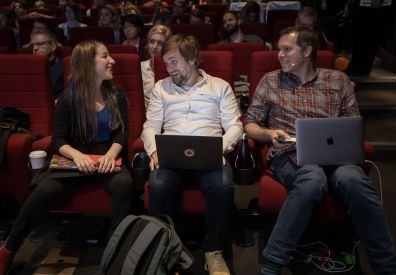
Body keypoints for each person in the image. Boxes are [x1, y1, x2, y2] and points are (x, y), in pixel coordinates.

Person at [243, 26, 396, 275]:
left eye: (286, 49)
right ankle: (272, 263)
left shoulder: (337, 80)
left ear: (306, 51)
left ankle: (388, 267)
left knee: (355, 180)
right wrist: (270, 134)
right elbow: (250, 123)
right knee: (312, 177)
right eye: (279, 49)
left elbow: (353, 125)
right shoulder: (271, 80)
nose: (279, 54)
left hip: (335, 154)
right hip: (288, 152)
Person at [0, 39, 135, 275]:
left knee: (124, 183)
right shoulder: (68, 98)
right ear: (87, 63)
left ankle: (115, 251)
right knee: (45, 190)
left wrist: (112, 153)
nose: (112, 60)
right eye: (105, 56)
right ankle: (9, 249)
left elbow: (122, 133)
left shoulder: (117, 94)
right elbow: (58, 140)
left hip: (106, 156)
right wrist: (77, 155)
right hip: (75, 158)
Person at [141, 34, 243, 275]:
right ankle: (167, 250)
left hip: (209, 156)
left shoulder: (220, 87)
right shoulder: (161, 88)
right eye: (166, 63)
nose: (169, 68)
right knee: (158, 184)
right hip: (172, 157)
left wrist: (221, 148)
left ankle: (213, 250)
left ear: (192, 59)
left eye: (174, 61)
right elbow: (151, 126)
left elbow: (235, 126)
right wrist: (154, 150)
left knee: (222, 184)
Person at [140, 24, 172, 108]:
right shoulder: (140, 67)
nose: (154, 47)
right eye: (152, 41)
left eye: (160, 43)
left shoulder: (174, 68)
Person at [30, 29, 64, 100]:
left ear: (53, 46)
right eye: (33, 45)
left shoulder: (64, 67)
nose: (35, 48)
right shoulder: (28, 68)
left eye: (39, 44)